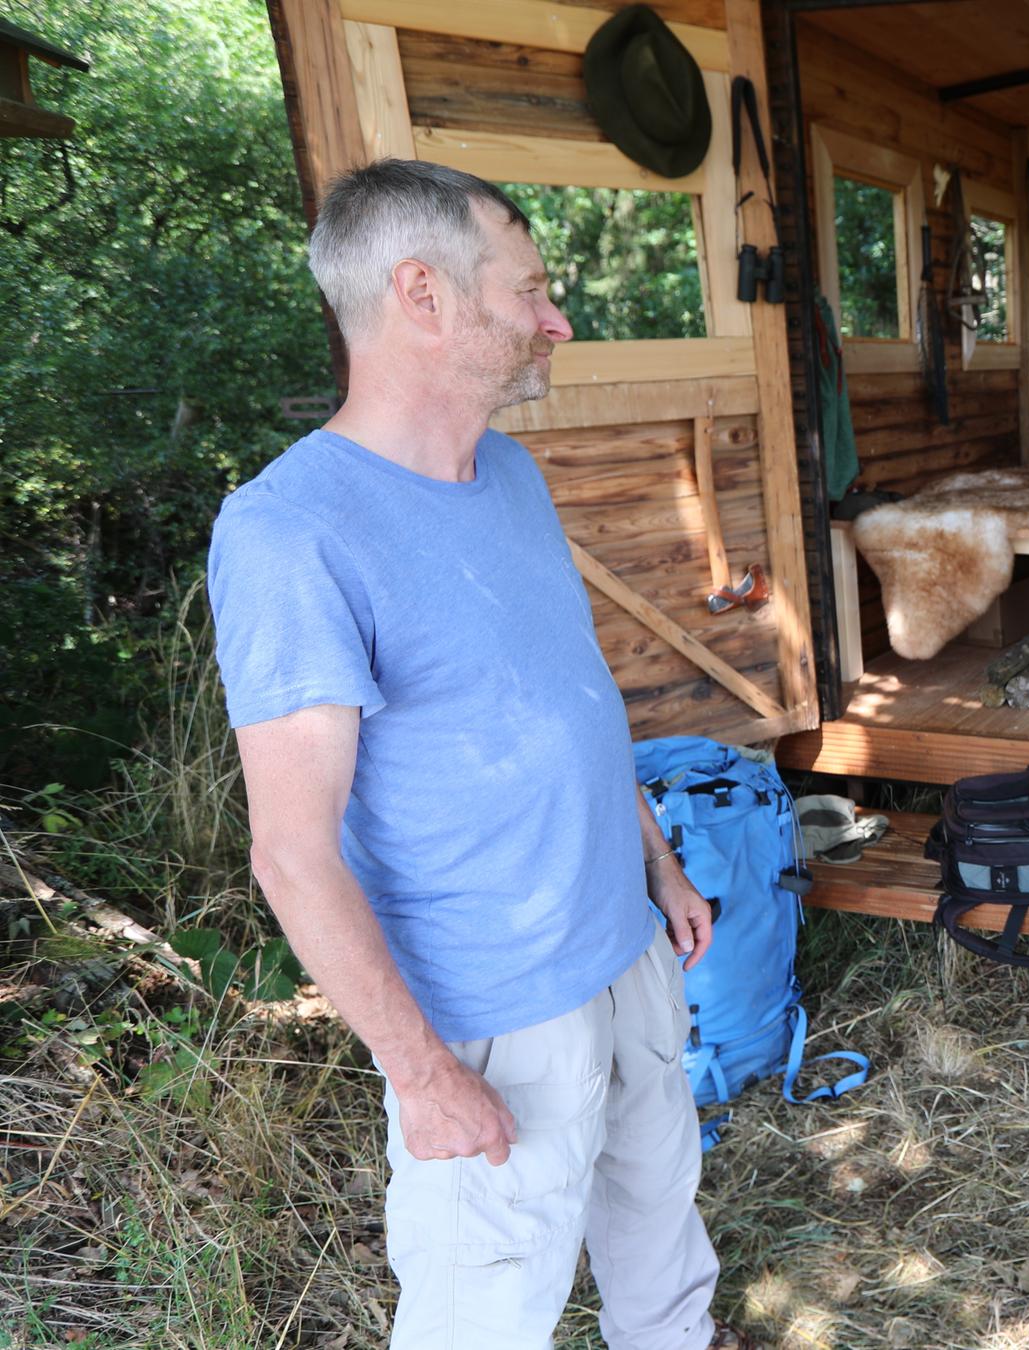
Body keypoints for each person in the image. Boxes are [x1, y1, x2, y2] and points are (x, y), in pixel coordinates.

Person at [209, 159, 750, 1349]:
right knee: (487, 1317)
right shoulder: (289, 531)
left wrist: (656, 864)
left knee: (663, 1244)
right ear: (424, 295)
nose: (556, 318)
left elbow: (575, 703)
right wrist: (422, 1072)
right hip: (494, 1017)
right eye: (533, 289)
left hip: (626, 951)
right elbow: (292, 854)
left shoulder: (509, 472)